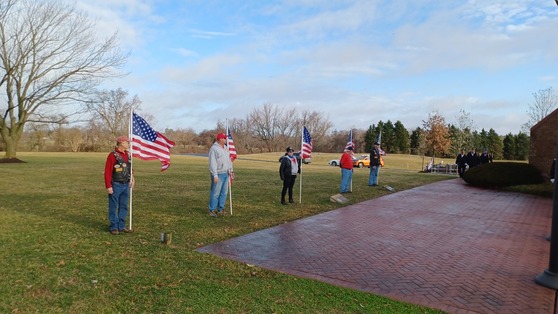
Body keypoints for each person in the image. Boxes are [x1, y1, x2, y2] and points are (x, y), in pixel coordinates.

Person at [104, 135, 135, 235]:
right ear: (122, 143)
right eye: (127, 142)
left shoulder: (128, 155)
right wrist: (108, 186)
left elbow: (130, 169)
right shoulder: (112, 155)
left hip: (126, 184)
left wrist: (133, 179)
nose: (129, 144)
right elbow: (107, 172)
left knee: (124, 206)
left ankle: (121, 226)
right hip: (116, 184)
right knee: (113, 206)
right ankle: (114, 226)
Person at [208, 133, 233, 217]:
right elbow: (213, 162)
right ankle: (212, 210)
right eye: (224, 138)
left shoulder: (226, 148)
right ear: (220, 139)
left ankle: (220, 209)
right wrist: (214, 175)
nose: (226, 140)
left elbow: (229, 160)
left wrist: (230, 170)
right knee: (215, 193)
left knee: (224, 192)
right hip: (218, 174)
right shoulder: (214, 149)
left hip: (226, 172)